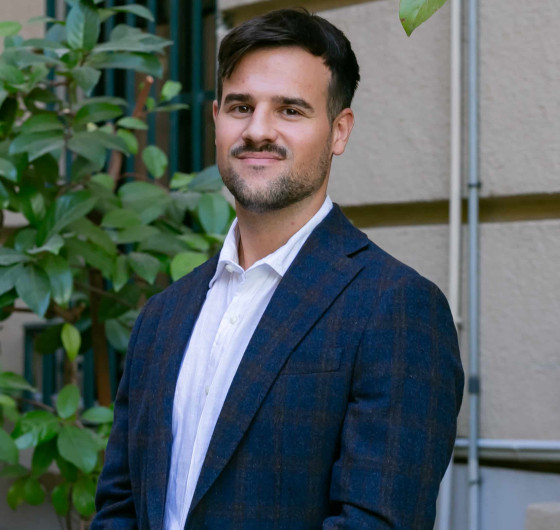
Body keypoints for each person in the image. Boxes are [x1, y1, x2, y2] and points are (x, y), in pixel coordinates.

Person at [92, 8, 464, 530]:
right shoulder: (161, 317)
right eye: (241, 107)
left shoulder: (396, 308)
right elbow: (118, 509)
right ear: (216, 120)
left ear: (339, 131)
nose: (258, 131)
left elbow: (375, 522)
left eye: (290, 110)